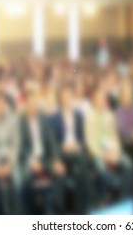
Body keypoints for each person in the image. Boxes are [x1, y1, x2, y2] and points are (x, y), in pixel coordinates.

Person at [20, 87, 64, 214]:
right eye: (30, 104)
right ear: (26, 106)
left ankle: (56, 213)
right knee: (24, 181)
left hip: (45, 158)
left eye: (35, 104)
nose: (33, 107)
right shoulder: (21, 121)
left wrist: (56, 159)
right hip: (30, 160)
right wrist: (31, 161)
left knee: (59, 173)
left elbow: (52, 141)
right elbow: (22, 147)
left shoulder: (44, 118)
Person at [85, 88, 133, 203]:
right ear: (94, 100)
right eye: (99, 98)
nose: (101, 101)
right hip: (98, 152)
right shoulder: (89, 117)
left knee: (128, 164)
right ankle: (104, 197)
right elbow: (90, 141)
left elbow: (115, 137)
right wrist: (103, 155)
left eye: (103, 98)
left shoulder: (110, 115)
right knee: (101, 169)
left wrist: (115, 152)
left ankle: (123, 197)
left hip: (112, 151)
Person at [52, 84, 89, 214]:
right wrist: (63, 147)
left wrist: (79, 145)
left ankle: (80, 210)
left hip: (76, 150)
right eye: (64, 96)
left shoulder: (78, 115)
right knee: (81, 161)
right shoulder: (54, 117)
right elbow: (52, 141)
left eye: (69, 96)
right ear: (60, 99)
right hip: (63, 152)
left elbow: (83, 138)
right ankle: (82, 208)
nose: (67, 98)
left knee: (80, 172)